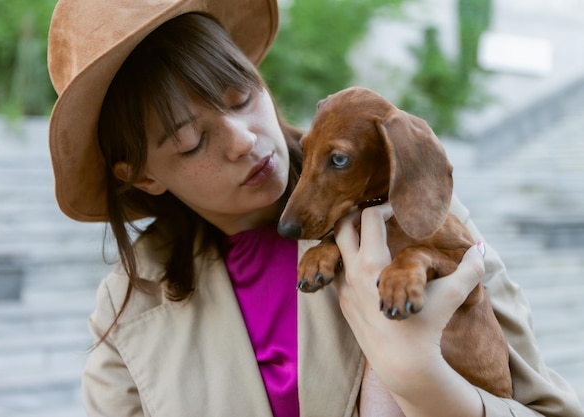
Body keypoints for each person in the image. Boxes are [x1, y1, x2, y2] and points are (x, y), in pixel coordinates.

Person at [47, 0, 584, 416]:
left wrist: (424, 380)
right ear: (142, 175)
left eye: (243, 98)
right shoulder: (126, 311)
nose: (244, 140)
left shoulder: (407, 207)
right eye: (190, 142)